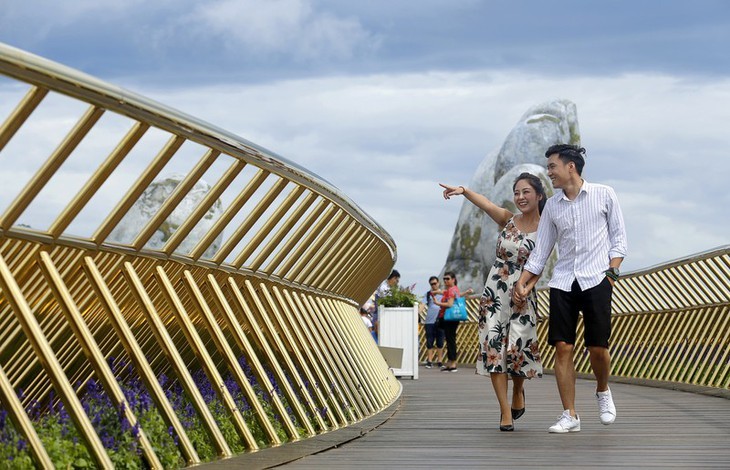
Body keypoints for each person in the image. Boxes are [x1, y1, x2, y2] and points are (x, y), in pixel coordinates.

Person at [513, 144, 627, 434]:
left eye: (552, 166)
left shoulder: (604, 194)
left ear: (570, 167)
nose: (549, 172)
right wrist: (522, 281)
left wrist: (611, 273)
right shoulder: (551, 205)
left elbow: (619, 239)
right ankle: (570, 414)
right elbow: (541, 252)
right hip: (563, 281)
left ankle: (602, 390)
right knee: (563, 347)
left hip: (596, 279)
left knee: (597, 348)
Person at [441, 173, 546, 431]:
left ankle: (518, 391)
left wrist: (527, 287)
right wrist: (464, 190)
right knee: (495, 348)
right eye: (517, 193)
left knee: (518, 350)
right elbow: (486, 204)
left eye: (526, 192)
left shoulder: (546, 228)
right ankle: (504, 411)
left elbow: (540, 265)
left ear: (539, 195)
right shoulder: (509, 220)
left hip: (523, 294)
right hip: (495, 293)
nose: (520, 197)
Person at [430, 271, 460, 372]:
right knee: (449, 339)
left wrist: (437, 303)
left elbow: (450, 304)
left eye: (447, 278)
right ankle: (450, 362)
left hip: (450, 318)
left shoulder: (452, 290)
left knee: (450, 339)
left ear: (453, 279)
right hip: (450, 318)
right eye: (444, 279)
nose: (445, 280)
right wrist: (437, 292)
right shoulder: (452, 289)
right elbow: (444, 292)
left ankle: (453, 364)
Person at [422, 276, 446, 368]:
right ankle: (430, 361)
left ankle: (440, 361)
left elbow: (451, 297)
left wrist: (437, 292)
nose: (434, 285)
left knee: (440, 342)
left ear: (438, 283)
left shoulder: (443, 293)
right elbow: (422, 305)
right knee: (429, 342)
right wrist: (417, 313)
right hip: (429, 321)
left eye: (435, 283)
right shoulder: (428, 294)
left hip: (441, 320)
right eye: (432, 284)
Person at [373, 269, 401, 343]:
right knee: (379, 338)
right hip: (380, 315)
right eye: (396, 280)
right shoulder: (383, 287)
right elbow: (388, 301)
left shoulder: (389, 288)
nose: (396, 283)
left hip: (384, 315)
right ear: (393, 278)